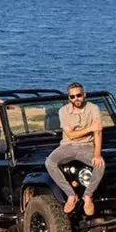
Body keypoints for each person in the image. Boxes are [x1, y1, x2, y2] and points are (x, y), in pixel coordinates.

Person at [45, 82, 107, 216]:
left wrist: (97, 154)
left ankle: (88, 196)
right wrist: (90, 128)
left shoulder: (93, 108)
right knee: (50, 162)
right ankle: (71, 195)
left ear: (84, 95)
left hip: (87, 146)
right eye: (72, 97)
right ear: (69, 98)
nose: (76, 99)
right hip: (68, 145)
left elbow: (98, 133)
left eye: (78, 95)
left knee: (100, 164)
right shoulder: (63, 111)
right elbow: (71, 135)